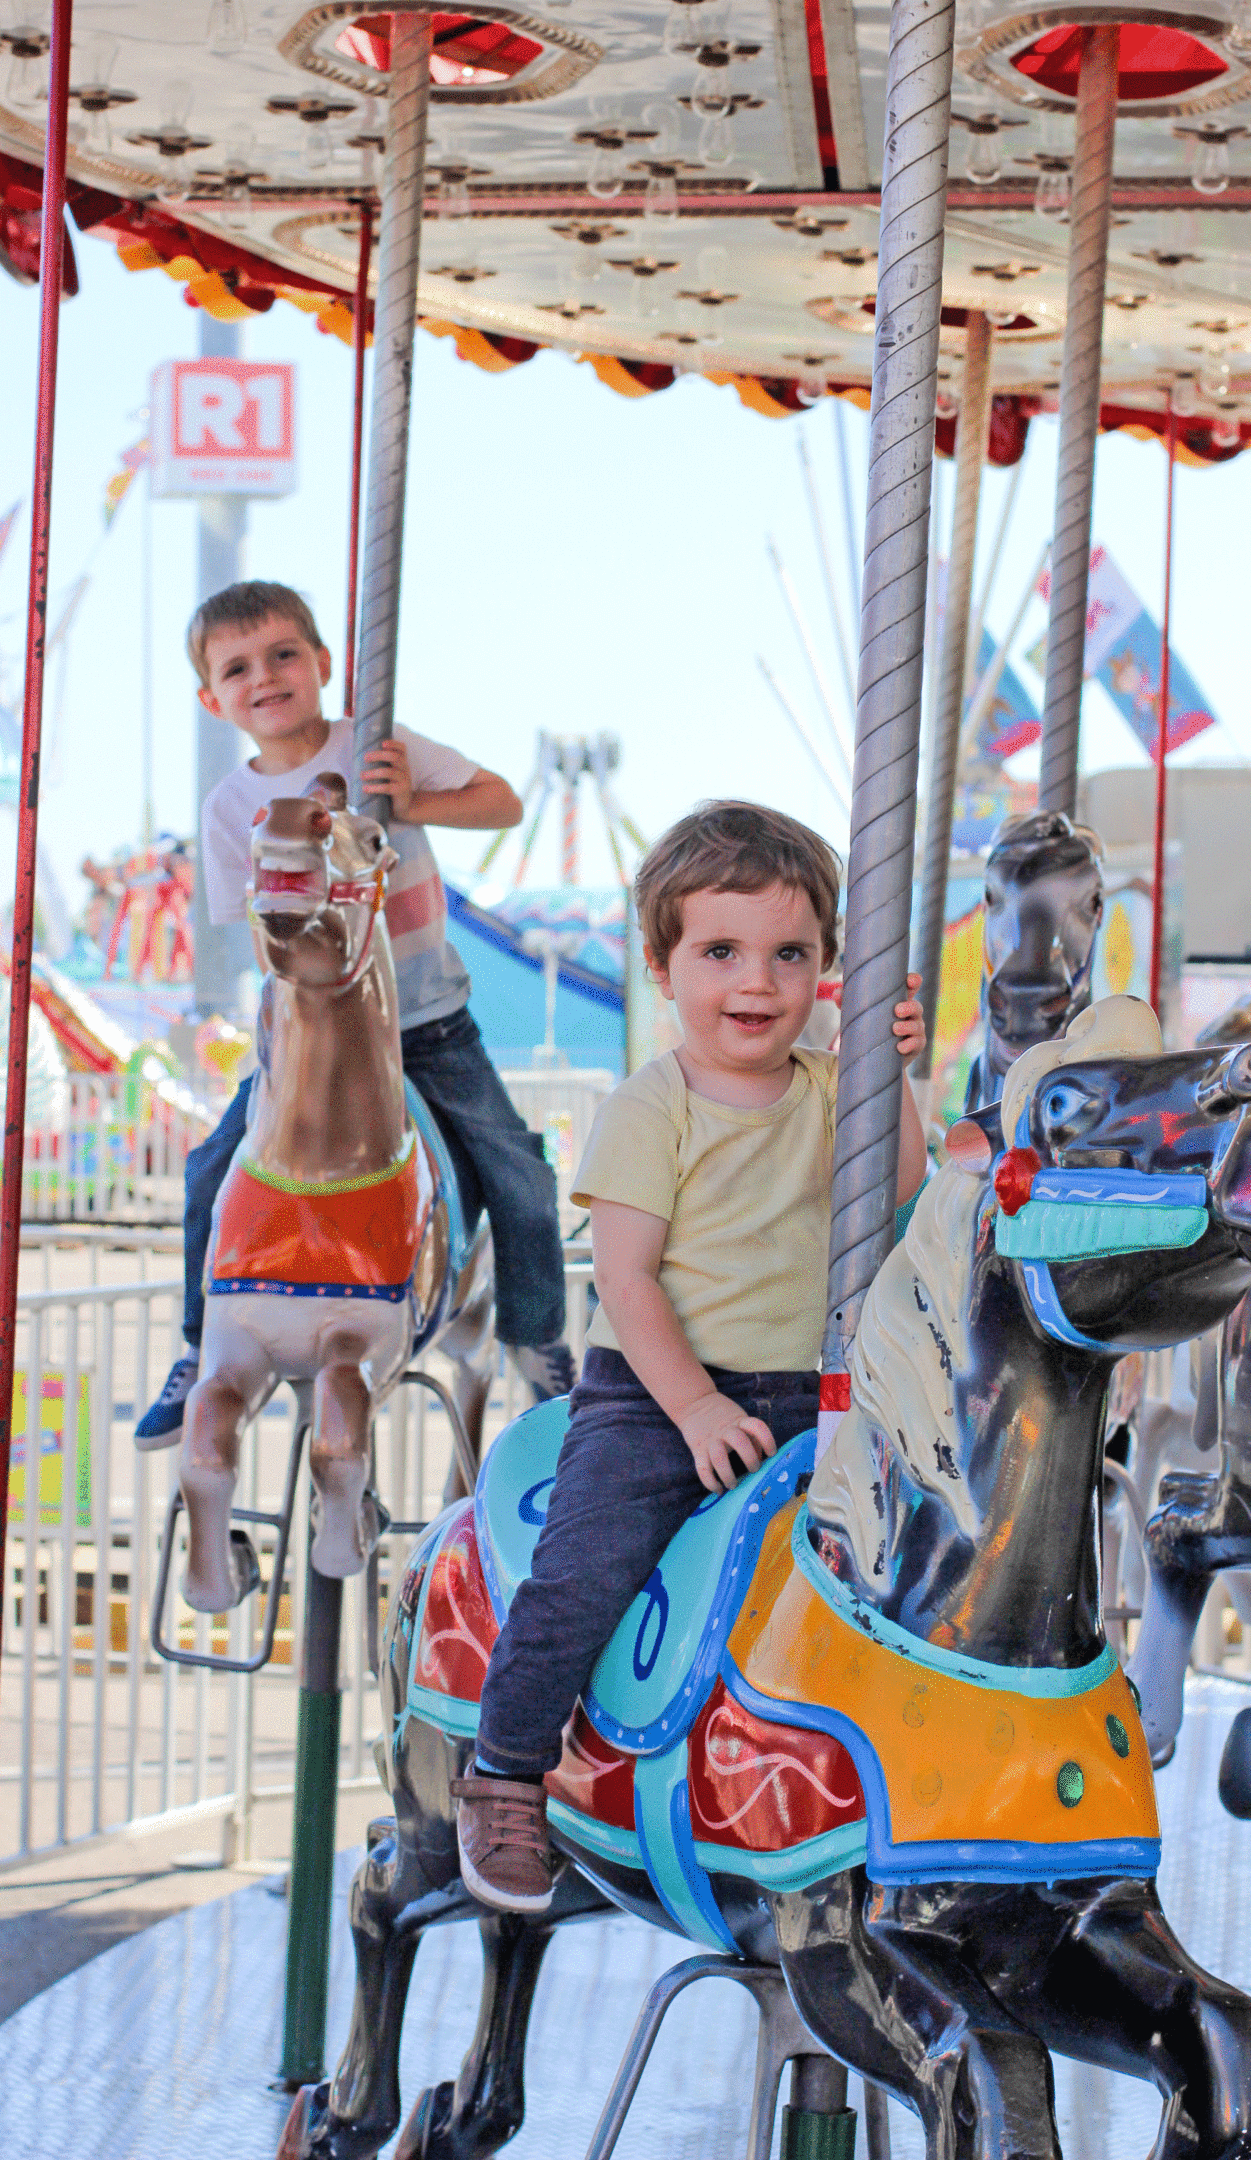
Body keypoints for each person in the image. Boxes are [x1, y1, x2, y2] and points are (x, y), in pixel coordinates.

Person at [452, 800, 926, 1912]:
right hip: (656, 1398)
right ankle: (507, 1770)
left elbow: (901, 1185)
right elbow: (627, 1282)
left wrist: (885, 1067)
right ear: (663, 966)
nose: (755, 983)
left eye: (789, 954)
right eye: (720, 952)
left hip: (817, 1394)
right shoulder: (649, 1107)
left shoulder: (825, 1092)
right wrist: (698, 1407)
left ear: (825, 969)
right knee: (585, 1573)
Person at [136, 579, 576, 1444]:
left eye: (283, 654)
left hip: (425, 1023)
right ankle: (198, 1344)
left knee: (520, 1170)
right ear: (210, 698)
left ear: (325, 662)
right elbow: (260, 936)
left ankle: (536, 1334)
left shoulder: (378, 747)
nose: (265, 677)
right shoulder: (230, 809)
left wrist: (410, 803)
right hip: (310, 1045)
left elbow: (503, 803)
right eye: (238, 668)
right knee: (208, 1175)